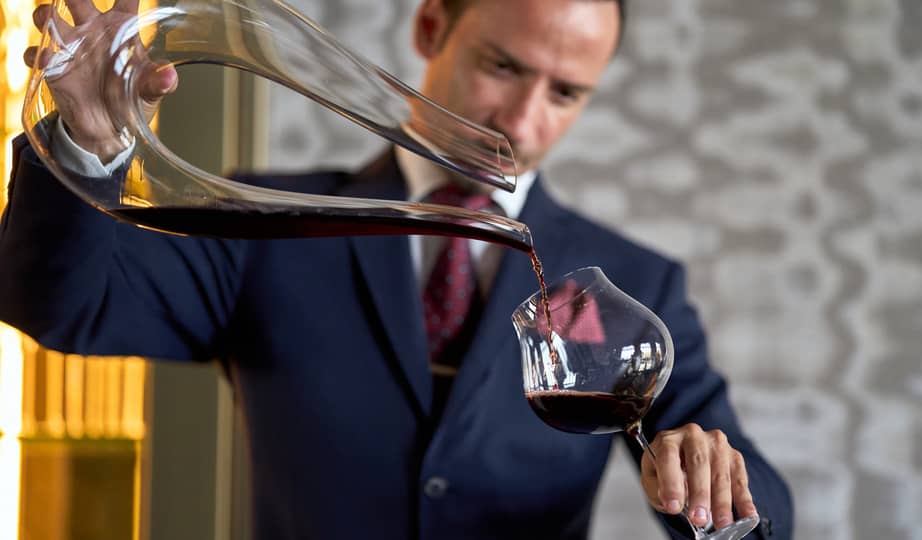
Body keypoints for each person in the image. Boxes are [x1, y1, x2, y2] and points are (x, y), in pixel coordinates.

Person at [2, 0, 793, 538]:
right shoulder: (263, 223)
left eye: (566, 92)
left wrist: (714, 490)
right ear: (430, 26)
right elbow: (59, 306)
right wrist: (89, 145)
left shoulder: (635, 278)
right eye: (503, 67)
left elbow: (764, 510)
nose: (522, 121)